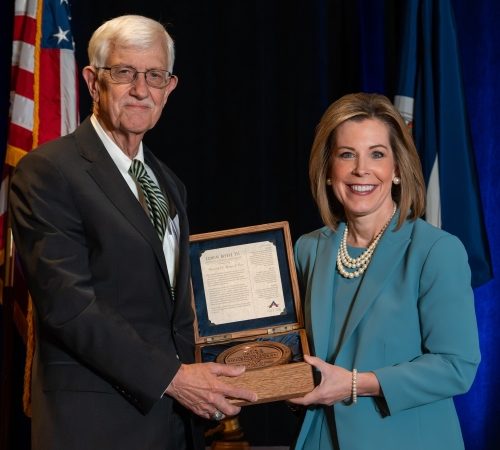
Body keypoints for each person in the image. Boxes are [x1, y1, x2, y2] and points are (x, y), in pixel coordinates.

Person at [9, 15, 256, 450]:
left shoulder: (169, 184)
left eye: (155, 76)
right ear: (93, 81)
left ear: (169, 88)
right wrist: (174, 378)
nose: (141, 90)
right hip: (95, 427)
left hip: (176, 426)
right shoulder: (48, 172)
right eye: (124, 72)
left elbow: (177, 311)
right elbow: (69, 306)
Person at [289, 93, 480, 450]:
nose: (361, 169)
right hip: (321, 440)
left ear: (397, 170)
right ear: (328, 171)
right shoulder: (308, 249)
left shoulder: (435, 250)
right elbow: (288, 346)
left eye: (377, 154)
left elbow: (457, 366)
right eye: (347, 154)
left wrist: (355, 384)